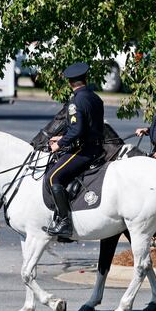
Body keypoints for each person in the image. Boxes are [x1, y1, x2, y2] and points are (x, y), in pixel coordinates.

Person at [44, 62, 104, 240]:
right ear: (85, 79)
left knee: (53, 177)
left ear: (70, 83)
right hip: (97, 147)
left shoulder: (75, 102)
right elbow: (84, 126)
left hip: (84, 150)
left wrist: (59, 144)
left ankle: (64, 223)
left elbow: (77, 131)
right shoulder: (95, 98)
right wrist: (62, 136)